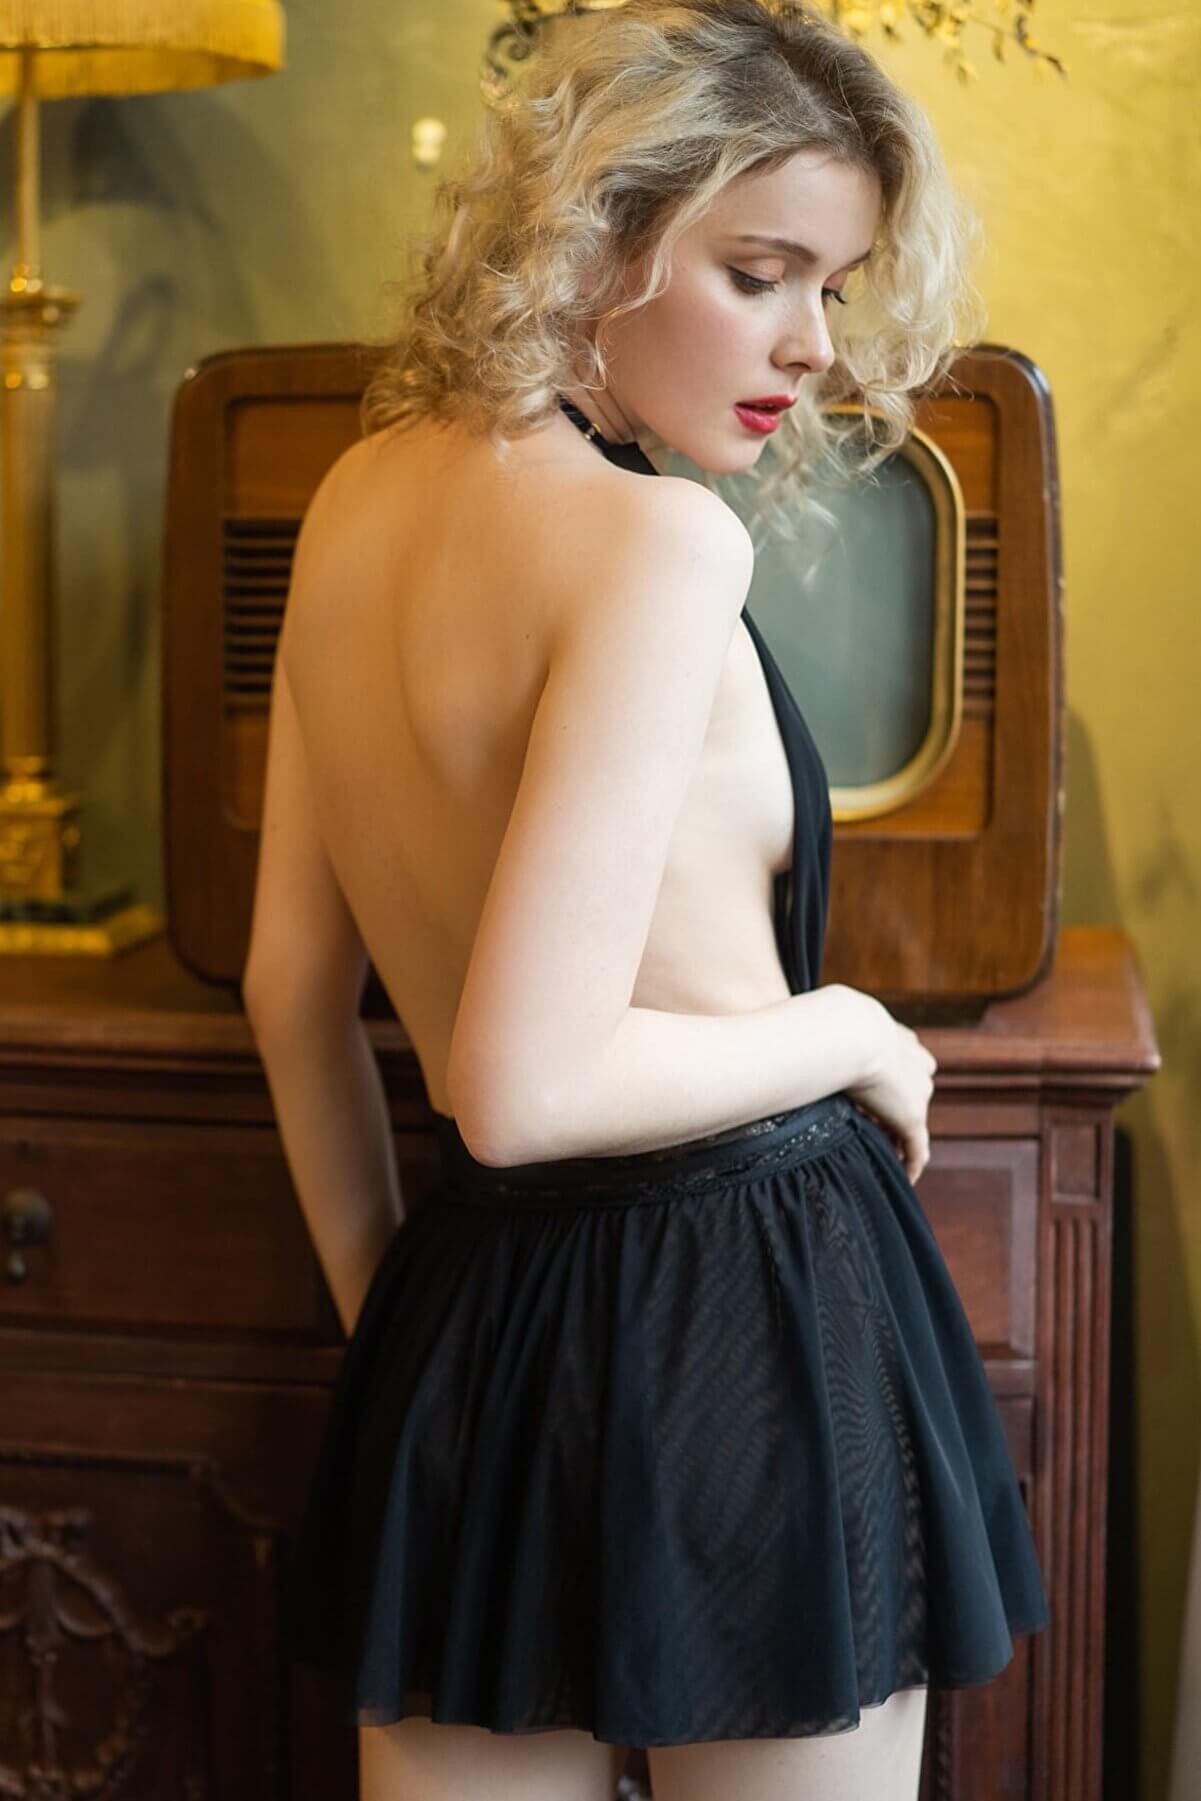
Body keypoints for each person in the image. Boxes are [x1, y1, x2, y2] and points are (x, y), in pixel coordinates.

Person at [242, 2, 1051, 1797]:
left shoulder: (350, 498)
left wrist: (407, 1341)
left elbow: (293, 992)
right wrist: (847, 1027)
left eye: (830, 286)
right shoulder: (661, 540)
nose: (810, 343)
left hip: (472, 1307)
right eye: (759, 274)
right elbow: (523, 1086)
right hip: (748, 1304)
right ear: (596, 230)